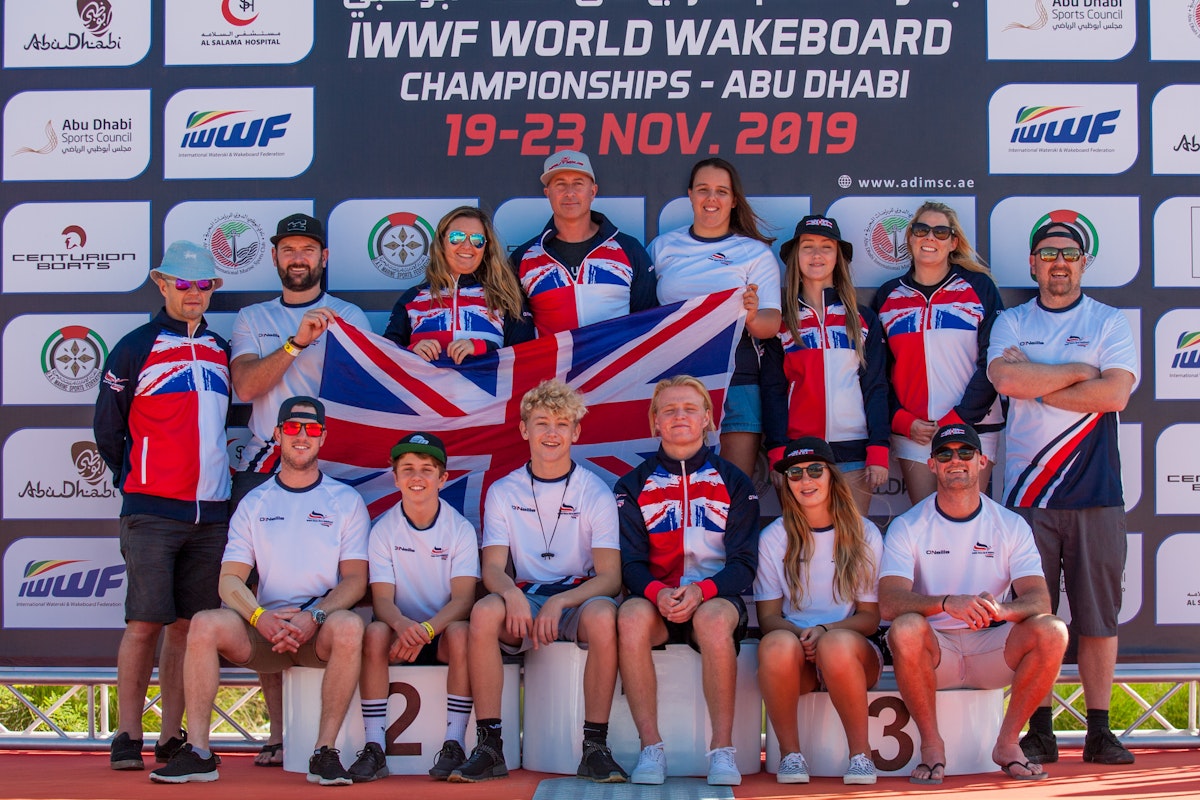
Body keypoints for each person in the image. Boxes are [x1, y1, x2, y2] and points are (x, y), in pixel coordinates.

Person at [149, 397, 369, 785]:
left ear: (323, 437)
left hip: (318, 629)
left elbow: (355, 580)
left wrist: (315, 614)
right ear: (278, 434)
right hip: (266, 632)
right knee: (204, 624)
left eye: (312, 429)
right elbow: (229, 580)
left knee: (350, 626)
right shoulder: (255, 502)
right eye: (293, 427)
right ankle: (198, 751)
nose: (302, 436)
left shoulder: (346, 500)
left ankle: (324, 752)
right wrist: (258, 617)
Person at [987, 221, 1138, 767]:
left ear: (1083, 263)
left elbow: (1115, 394)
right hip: (1029, 496)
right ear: (1033, 262)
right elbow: (1007, 382)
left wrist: (1040, 381)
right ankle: (1039, 731)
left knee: (1098, 618)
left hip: (1097, 492)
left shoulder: (1108, 320)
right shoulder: (1011, 321)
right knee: (1035, 617)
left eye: (1070, 254)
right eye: (1048, 252)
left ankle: (1100, 731)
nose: (1059, 262)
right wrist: (1078, 372)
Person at [229, 212, 369, 766]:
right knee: (264, 593)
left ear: (323, 258)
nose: (298, 258)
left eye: (307, 249)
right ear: (275, 257)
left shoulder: (351, 316)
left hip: (338, 470)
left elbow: (373, 389)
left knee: (340, 588)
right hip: (268, 464)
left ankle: (342, 735)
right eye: (288, 249)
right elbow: (245, 385)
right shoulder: (252, 317)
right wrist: (295, 343)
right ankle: (278, 730)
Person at [93, 241, 231, 771]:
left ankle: (172, 736)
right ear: (162, 283)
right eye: (183, 283)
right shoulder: (135, 346)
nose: (194, 293)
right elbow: (108, 428)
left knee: (187, 629)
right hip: (152, 510)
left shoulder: (219, 348)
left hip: (211, 513)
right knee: (144, 623)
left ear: (212, 289)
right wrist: (137, 481)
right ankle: (127, 734)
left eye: (204, 284)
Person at [450, 380, 626, 783]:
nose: (551, 432)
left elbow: (611, 578)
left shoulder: (595, 491)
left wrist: (561, 601)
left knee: (604, 617)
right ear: (524, 429)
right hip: (525, 597)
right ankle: (490, 745)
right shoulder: (503, 490)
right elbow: (493, 568)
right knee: (484, 612)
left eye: (562, 424)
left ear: (575, 433)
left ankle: (595, 747)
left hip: (578, 598)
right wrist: (510, 593)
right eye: (542, 422)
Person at [879, 423, 1068, 784]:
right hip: (938, 653)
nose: (956, 460)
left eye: (965, 452)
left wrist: (1002, 611)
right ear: (932, 465)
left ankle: (1008, 743)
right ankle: (932, 746)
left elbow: (1039, 599)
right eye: (945, 454)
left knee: (1053, 631)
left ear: (982, 461)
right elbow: (888, 603)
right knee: (904, 628)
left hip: (992, 648)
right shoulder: (908, 525)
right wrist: (947, 603)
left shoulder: (1010, 524)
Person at [616, 375, 759, 787]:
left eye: (690, 409)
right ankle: (651, 748)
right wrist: (658, 592)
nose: (680, 416)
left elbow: (744, 564)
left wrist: (701, 591)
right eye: (669, 410)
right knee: (630, 617)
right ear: (654, 422)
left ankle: (722, 750)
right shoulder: (632, 485)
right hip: (656, 601)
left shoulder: (735, 482)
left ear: (708, 419)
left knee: (712, 619)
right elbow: (630, 564)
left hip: (715, 599)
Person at [348, 433, 479, 783]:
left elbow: (464, 600)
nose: (416, 477)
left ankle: (454, 743)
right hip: (399, 635)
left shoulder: (460, 530)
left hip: (440, 633)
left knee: (463, 632)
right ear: (395, 478)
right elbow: (382, 601)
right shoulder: (383, 530)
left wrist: (427, 630)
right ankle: (374, 747)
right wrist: (404, 626)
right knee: (375, 632)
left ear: (443, 478)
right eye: (407, 469)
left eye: (426, 469)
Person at [755, 437, 884, 785]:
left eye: (815, 470)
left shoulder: (864, 533)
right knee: (775, 645)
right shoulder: (773, 537)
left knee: (834, 645)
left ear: (832, 476)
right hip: (798, 654)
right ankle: (791, 756)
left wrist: (825, 632)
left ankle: (861, 756)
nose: (805, 480)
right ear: (786, 483)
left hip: (851, 652)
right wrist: (804, 637)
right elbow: (768, 619)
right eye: (795, 474)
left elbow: (870, 618)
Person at [648, 158, 783, 481]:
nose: (712, 199)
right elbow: (641, 319)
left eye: (722, 191)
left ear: (734, 200)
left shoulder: (755, 252)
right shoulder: (662, 247)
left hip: (737, 380)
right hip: (676, 381)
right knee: (678, 487)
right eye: (703, 190)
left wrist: (751, 315)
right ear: (690, 195)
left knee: (734, 488)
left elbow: (770, 326)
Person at [871, 202, 1004, 504]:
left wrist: (959, 418)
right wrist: (902, 420)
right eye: (922, 230)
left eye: (941, 232)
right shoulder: (888, 295)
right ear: (910, 237)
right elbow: (878, 374)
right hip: (917, 431)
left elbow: (993, 362)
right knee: (926, 520)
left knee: (967, 520)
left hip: (974, 426)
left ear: (953, 242)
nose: (930, 237)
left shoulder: (979, 287)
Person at [761, 215, 889, 514]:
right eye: (807, 246)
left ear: (838, 257)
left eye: (826, 246)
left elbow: (876, 387)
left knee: (853, 539)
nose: (816, 254)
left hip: (855, 451)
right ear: (795, 256)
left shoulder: (863, 319)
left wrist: (879, 447)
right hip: (798, 452)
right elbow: (772, 391)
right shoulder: (780, 321)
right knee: (803, 540)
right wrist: (777, 449)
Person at [510, 150, 657, 337]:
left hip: (616, 357)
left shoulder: (629, 249)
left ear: (593, 191)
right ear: (547, 193)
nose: (569, 193)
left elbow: (647, 326)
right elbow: (518, 337)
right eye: (560, 184)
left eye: (578, 184)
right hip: (554, 358)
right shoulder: (523, 258)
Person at [384, 206, 533, 361]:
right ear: (441, 242)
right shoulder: (412, 298)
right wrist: (411, 350)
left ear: (486, 248)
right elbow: (384, 356)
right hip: (425, 378)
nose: (467, 246)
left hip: (484, 378)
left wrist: (483, 347)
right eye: (457, 237)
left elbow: (524, 360)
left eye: (477, 240)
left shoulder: (506, 298)